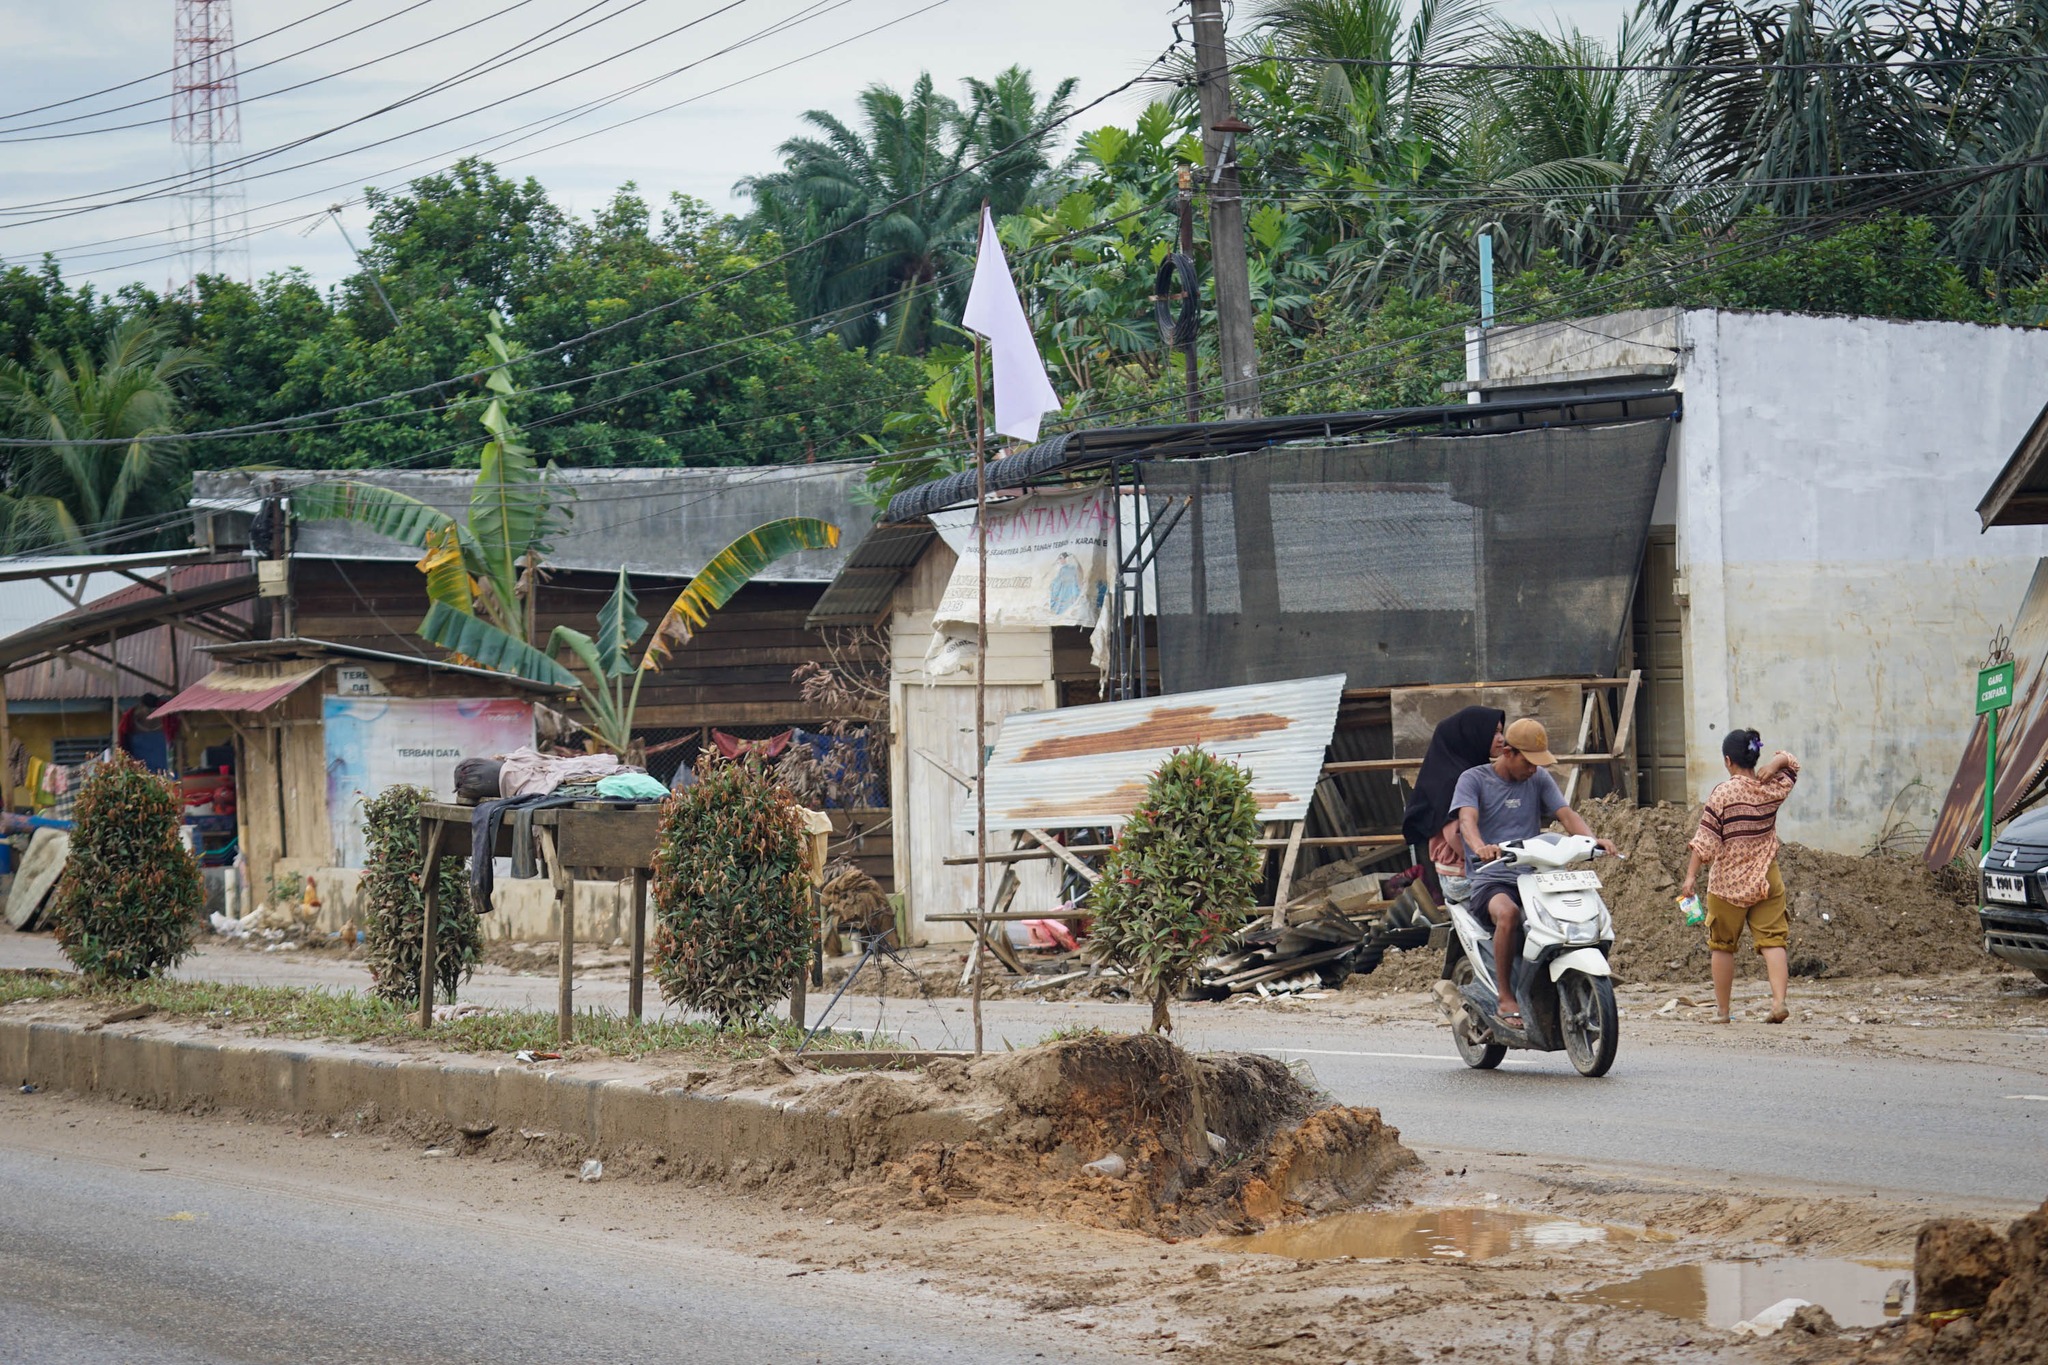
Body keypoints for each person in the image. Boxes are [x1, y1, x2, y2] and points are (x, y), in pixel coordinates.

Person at [1452, 717, 1616, 1027]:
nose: (1533, 768)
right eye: (1529, 761)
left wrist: (1591, 841)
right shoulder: (1473, 780)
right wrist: (1480, 846)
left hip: (1535, 876)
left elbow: (1566, 814)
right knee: (1508, 914)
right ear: (1509, 753)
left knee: (1567, 917)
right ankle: (1505, 995)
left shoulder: (1538, 778)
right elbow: (1466, 822)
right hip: (1492, 877)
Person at [1681, 729, 1800, 1025]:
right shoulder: (1772, 787)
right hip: (1766, 877)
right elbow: (1792, 765)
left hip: (1728, 884)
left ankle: (1722, 1012)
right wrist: (1775, 765)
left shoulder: (1724, 793)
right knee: (1773, 940)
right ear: (1754, 755)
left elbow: (1706, 839)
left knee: (1722, 945)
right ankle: (1779, 1002)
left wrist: (1690, 877)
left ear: (1727, 760)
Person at [1401, 705, 1506, 905]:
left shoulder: (1472, 771)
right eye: (1494, 733)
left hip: (1473, 868)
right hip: (1462, 874)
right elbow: (1455, 835)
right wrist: (1487, 861)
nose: (1501, 739)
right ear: (1471, 736)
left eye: (1501, 731)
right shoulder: (1454, 780)